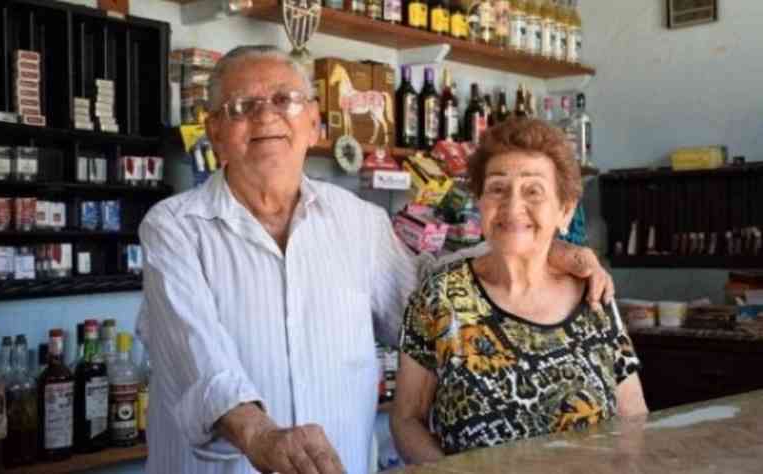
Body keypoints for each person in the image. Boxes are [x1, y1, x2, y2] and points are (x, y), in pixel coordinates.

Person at [137, 45, 615, 474]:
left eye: (286, 100)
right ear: (215, 132)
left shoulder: (358, 221)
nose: (266, 117)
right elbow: (196, 351)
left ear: (314, 124)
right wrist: (259, 434)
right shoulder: (174, 227)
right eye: (241, 107)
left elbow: (427, 300)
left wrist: (541, 246)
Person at [391, 118, 648, 464]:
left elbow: (633, 418)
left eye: (533, 191)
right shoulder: (440, 297)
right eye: (497, 188)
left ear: (565, 211)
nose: (513, 207)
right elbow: (407, 420)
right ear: (480, 202)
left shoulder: (594, 296)